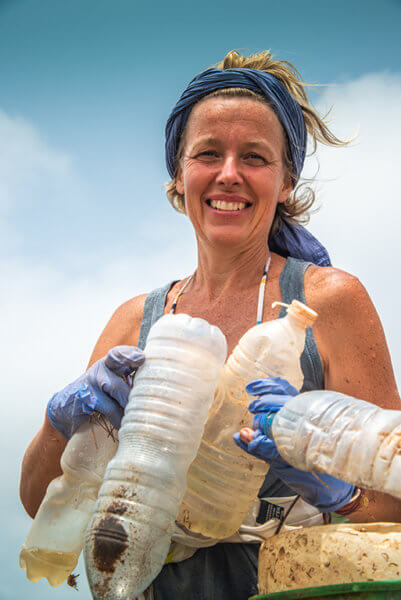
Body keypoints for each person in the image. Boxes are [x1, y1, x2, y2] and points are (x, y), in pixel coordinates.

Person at [20, 49, 401, 599]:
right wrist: (59, 420)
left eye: (254, 157)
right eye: (208, 154)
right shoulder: (135, 323)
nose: (229, 175)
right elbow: (43, 502)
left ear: (286, 181)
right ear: (179, 173)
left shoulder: (327, 301)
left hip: (295, 586)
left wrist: (340, 496)